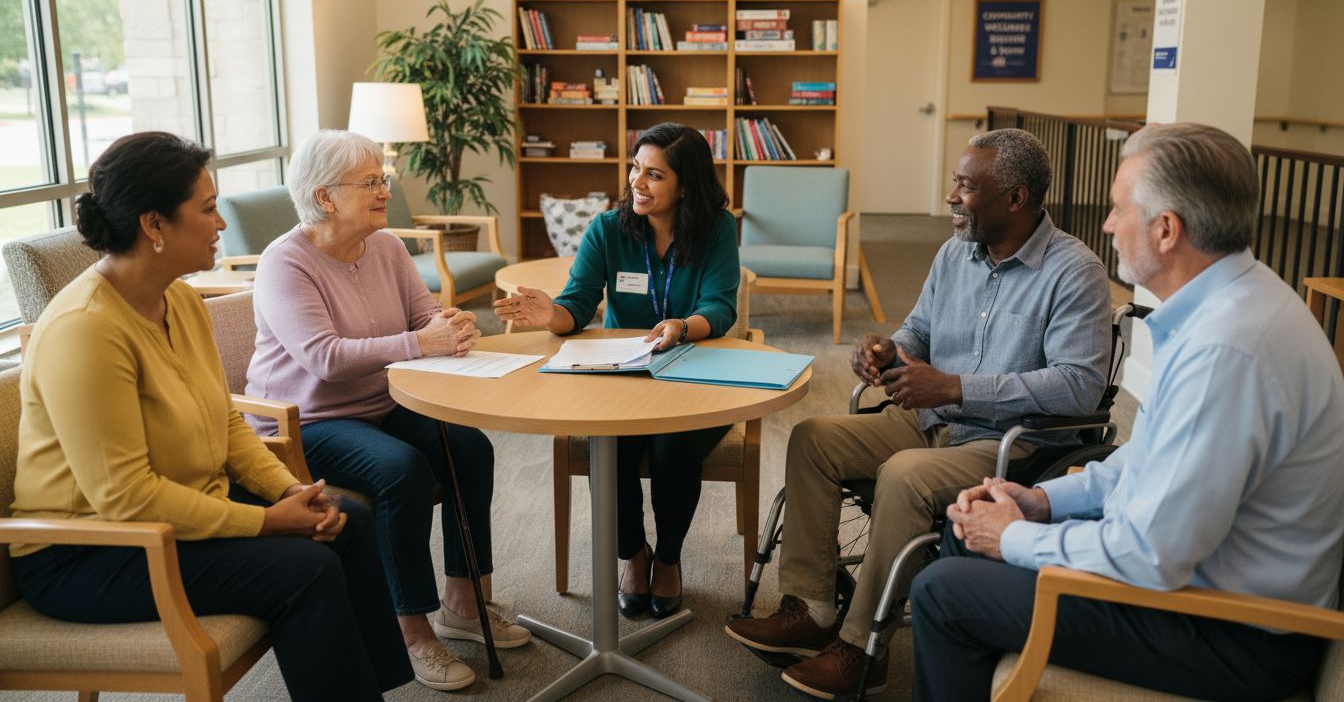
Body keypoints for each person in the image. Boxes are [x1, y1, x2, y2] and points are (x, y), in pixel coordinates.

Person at [911, 122, 1344, 701]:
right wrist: (1041, 502)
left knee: (944, 591)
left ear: (1167, 230)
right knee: (969, 535)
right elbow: (1146, 460)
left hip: (1227, 631)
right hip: (1198, 586)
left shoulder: (1225, 350)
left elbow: (1149, 556)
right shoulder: (1230, 306)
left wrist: (1016, 537)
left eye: (1119, 210)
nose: (1108, 225)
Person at [9, 131, 412, 701]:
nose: (221, 223)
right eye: (206, 209)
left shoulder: (177, 300)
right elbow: (126, 498)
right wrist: (269, 522)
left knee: (346, 520)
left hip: (185, 509)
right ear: (154, 225)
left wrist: (290, 491)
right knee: (305, 568)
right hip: (93, 552)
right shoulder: (86, 330)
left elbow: (224, 423)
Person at [725, 128, 1113, 699]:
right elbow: (919, 332)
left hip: (1011, 443)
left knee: (904, 475)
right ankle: (810, 608)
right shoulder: (955, 253)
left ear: (1016, 198)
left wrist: (956, 387)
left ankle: (863, 649)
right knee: (812, 438)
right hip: (931, 419)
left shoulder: (1074, 271)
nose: (951, 198)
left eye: (964, 186)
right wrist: (888, 349)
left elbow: (1078, 387)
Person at [245, 130, 529, 693]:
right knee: (401, 470)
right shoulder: (286, 263)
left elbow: (423, 321)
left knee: (470, 446)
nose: (384, 190)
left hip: (382, 399)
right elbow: (324, 359)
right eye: (370, 182)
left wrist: (453, 327)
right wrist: (422, 343)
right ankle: (411, 630)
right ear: (324, 197)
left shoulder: (388, 246)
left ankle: (464, 602)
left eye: (383, 179)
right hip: (306, 423)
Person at [494, 122, 739, 619]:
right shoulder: (608, 229)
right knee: (611, 445)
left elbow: (720, 305)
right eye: (634, 168)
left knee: (674, 448)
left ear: (685, 185)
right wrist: (551, 316)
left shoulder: (717, 228)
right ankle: (633, 554)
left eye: (654, 175)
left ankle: (668, 557)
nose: (636, 183)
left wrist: (682, 325)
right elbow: (577, 303)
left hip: (696, 369)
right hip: (625, 374)